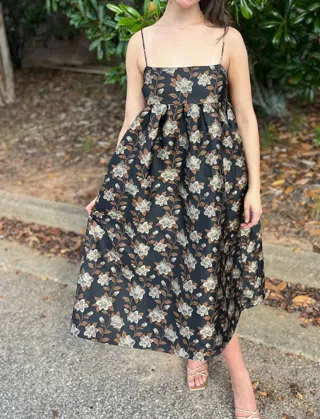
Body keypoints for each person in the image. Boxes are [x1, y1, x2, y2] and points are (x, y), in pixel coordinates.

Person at [70, 0, 265, 417]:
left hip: (215, 180)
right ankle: (205, 353)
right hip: (160, 181)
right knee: (178, 267)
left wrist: (255, 188)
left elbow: (246, 115)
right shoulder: (140, 42)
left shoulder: (227, 40)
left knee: (210, 272)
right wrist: (113, 188)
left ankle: (235, 375)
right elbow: (132, 117)